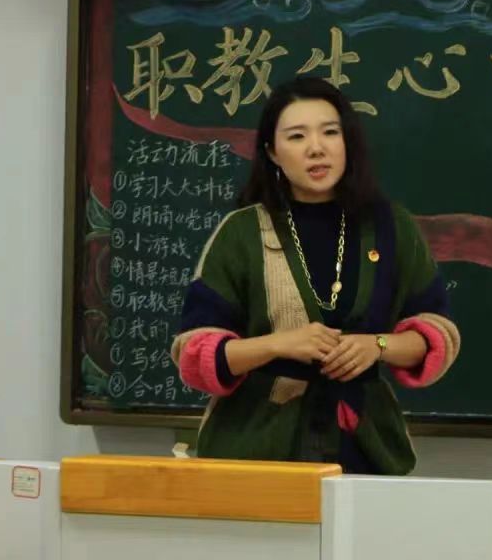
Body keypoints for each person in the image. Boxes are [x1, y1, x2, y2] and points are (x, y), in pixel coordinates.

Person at [170, 76, 460, 475]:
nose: (316, 148)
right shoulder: (242, 233)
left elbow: (434, 336)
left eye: (330, 132)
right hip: (256, 452)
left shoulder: (392, 227)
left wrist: (377, 345)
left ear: (347, 142)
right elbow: (195, 355)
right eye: (297, 136)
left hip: (367, 450)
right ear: (272, 152)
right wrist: (279, 344)